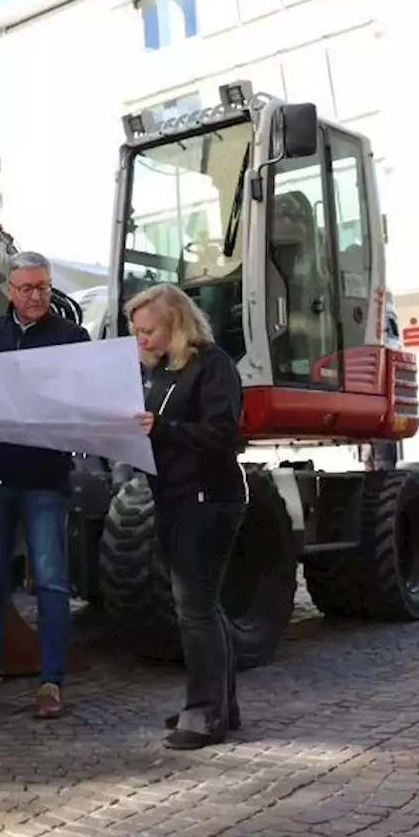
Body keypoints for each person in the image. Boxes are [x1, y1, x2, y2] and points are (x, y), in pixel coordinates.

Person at [0, 251, 91, 721]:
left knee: (50, 581)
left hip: (46, 477)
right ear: (9, 290)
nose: (36, 297)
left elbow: (88, 398)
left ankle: (51, 683)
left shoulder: (73, 340)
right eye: (27, 288)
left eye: (43, 287)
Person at [128, 282, 247, 751]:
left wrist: (162, 429)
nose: (141, 340)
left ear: (175, 323)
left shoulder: (212, 364)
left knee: (194, 607)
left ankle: (204, 713)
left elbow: (222, 434)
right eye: (136, 332)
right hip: (175, 497)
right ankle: (220, 706)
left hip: (208, 497)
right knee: (201, 606)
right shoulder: (161, 373)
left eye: (148, 330)